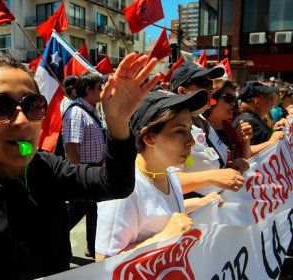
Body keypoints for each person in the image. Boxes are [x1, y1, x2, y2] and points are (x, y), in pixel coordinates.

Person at [0, 53, 160, 279]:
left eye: (33, 105)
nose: (23, 120)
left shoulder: (43, 167)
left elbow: (115, 184)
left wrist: (117, 122)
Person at [95, 90, 222, 260]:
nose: (191, 141)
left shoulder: (168, 170)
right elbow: (103, 263)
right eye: (179, 131)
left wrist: (201, 203)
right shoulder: (124, 192)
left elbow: (159, 214)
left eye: (189, 130)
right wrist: (163, 238)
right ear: (149, 138)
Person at [170, 61, 248, 197]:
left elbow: (205, 163)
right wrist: (213, 176)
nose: (210, 90)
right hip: (190, 212)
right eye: (203, 84)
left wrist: (229, 166)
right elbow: (167, 181)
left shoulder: (202, 120)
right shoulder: (169, 127)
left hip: (214, 208)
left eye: (210, 84)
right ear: (182, 91)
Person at [62, 72, 105, 258]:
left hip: (94, 169)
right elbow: (71, 146)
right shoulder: (76, 112)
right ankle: (55, 241)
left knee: (93, 211)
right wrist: (79, 174)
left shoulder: (91, 109)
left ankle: (92, 246)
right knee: (76, 211)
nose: (102, 92)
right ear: (88, 90)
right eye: (98, 88)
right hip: (84, 171)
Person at [203, 79, 253, 160]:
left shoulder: (227, 126)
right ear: (212, 99)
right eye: (229, 98)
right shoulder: (199, 127)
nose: (233, 103)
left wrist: (246, 140)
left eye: (234, 99)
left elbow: (244, 160)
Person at [233, 81, 286, 155]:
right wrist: (271, 142)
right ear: (257, 101)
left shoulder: (253, 117)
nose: (272, 103)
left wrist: (275, 131)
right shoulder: (248, 121)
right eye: (270, 99)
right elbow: (246, 152)